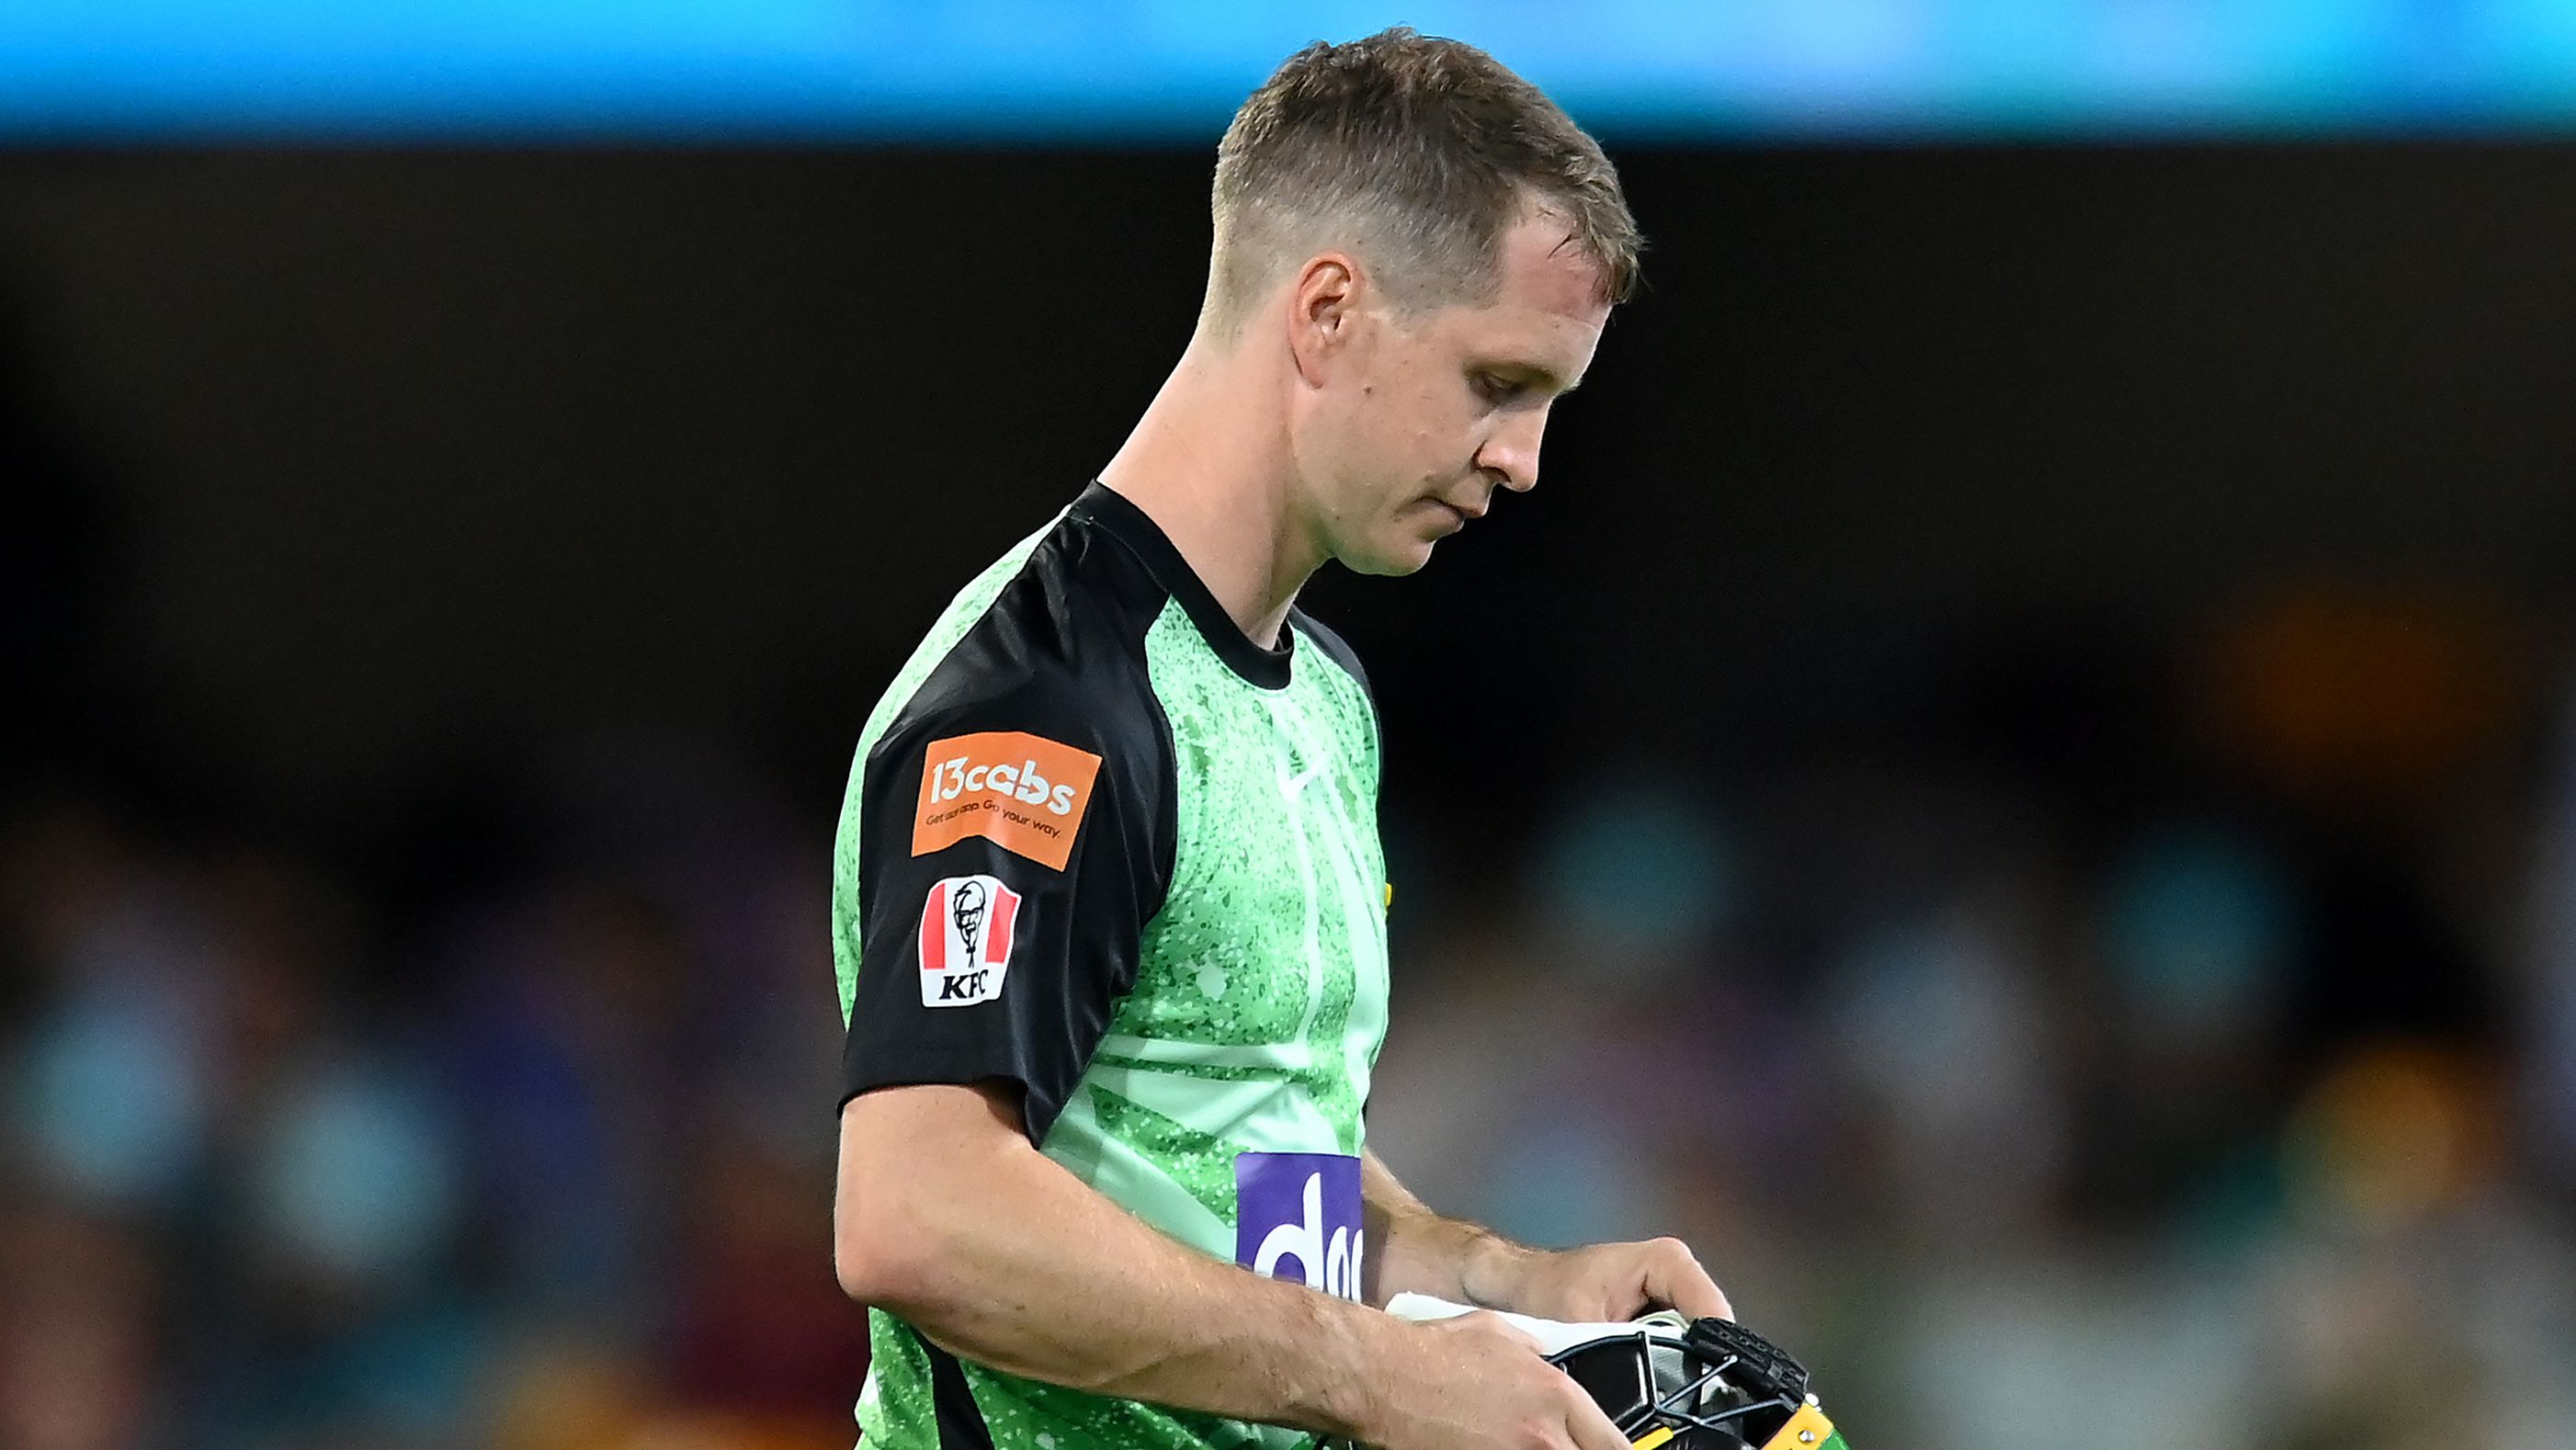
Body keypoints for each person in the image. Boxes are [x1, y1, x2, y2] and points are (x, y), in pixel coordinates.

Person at [829, 27, 1729, 1450]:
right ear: (1325, 311)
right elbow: (919, 1213)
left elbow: (1251, 1184)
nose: (1524, 459)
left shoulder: (1321, 694)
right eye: (1500, 382)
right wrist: (1381, 1376)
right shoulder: (1041, 700)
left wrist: (1511, 1282)